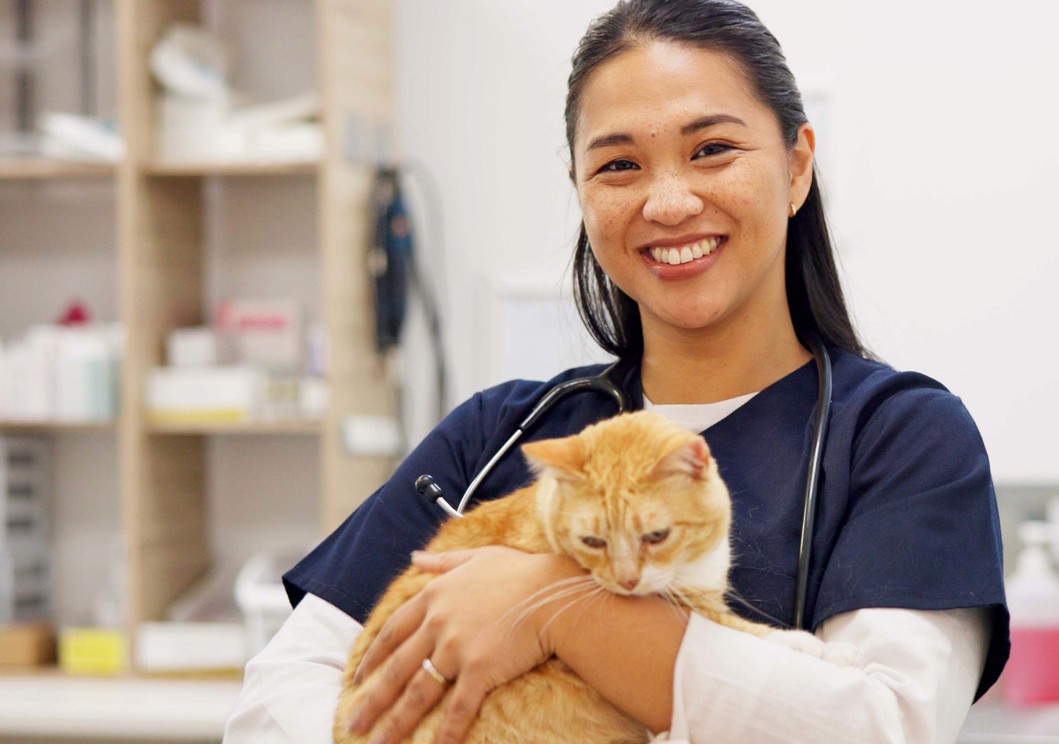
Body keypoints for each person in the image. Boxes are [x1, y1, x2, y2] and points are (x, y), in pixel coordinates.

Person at [225, 1, 1008, 742]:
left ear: (797, 166)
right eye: (619, 165)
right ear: (580, 191)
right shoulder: (502, 436)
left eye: (711, 149)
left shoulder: (899, 438)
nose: (667, 202)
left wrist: (553, 608)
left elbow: (884, 726)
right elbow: (275, 702)